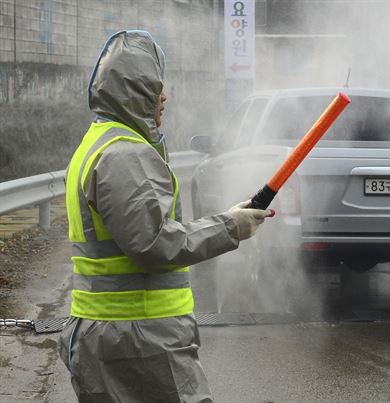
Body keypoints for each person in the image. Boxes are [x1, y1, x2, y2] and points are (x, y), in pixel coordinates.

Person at [58, 30, 271, 402]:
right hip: (140, 341)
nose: (165, 95)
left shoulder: (101, 142)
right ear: (136, 91)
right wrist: (229, 227)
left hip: (115, 335)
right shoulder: (126, 154)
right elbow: (154, 243)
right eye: (157, 86)